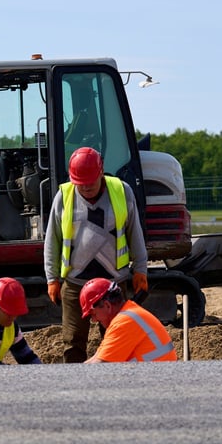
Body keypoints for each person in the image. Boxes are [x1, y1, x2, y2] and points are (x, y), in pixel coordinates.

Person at [43, 146, 149, 363]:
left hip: (113, 284)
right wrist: (52, 278)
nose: (87, 187)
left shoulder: (122, 192)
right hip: (74, 283)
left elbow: (135, 233)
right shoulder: (64, 196)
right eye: (80, 183)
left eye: (90, 181)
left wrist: (140, 269)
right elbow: (52, 240)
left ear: (101, 172)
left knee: (116, 339)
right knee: (72, 341)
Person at [81, 278, 177, 362]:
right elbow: (96, 358)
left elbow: (99, 367)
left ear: (107, 305)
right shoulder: (127, 314)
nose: (93, 320)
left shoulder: (124, 322)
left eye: (93, 314)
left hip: (158, 379)